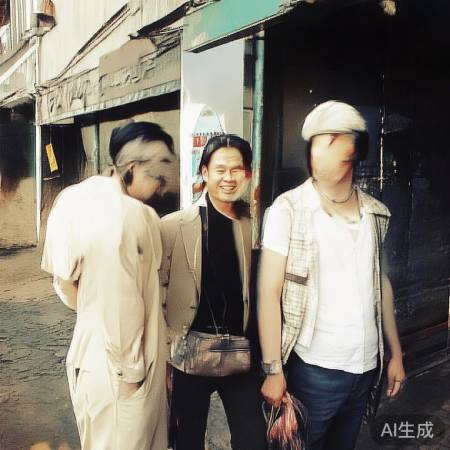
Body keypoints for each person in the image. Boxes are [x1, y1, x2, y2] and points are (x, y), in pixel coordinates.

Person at [258, 101, 406, 450]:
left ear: (357, 149)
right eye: (319, 142)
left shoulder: (376, 213)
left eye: (335, 139)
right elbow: (269, 291)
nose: (323, 150)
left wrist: (396, 354)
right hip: (314, 369)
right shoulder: (288, 209)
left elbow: (381, 284)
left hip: (365, 368)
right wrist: (273, 369)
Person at [41, 122, 178, 450]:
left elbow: (62, 282)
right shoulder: (130, 215)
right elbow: (121, 306)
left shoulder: (71, 198)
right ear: (132, 168)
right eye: (156, 172)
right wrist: (130, 373)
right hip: (122, 373)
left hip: (89, 357)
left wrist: (92, 310)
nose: (161, 182)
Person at [160, 134, 267, 450]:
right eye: (220, 169)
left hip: (242, 355)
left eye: (237, 169)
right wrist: (165, 353)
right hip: (189, 356)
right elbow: (157, 291)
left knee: (253, 441)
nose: (229, 178)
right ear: (205, 172)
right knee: (187, 440)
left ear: (247, 173)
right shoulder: (174, 226)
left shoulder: (255, 225)